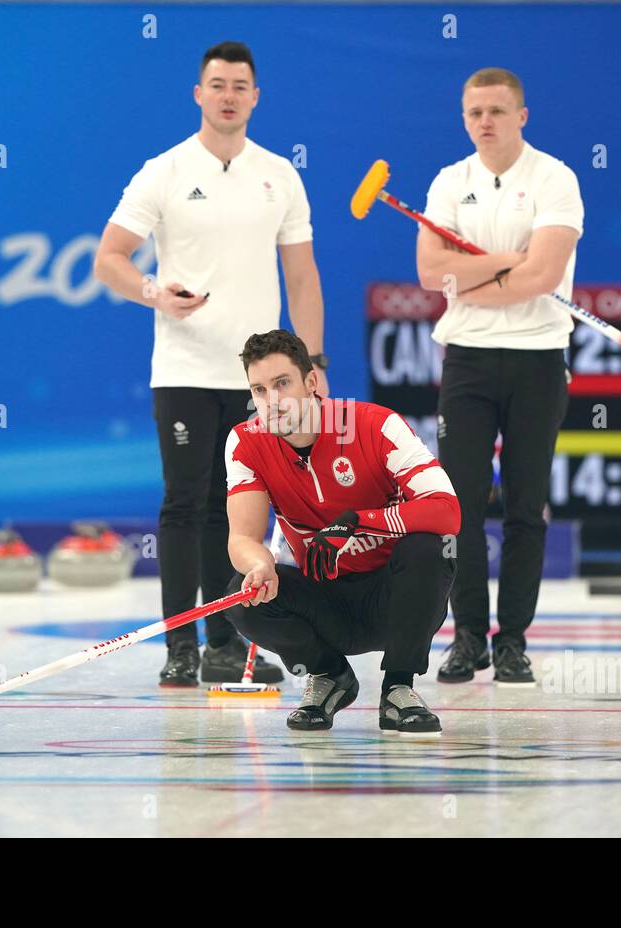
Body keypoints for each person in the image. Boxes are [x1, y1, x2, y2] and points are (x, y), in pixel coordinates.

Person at [95, 41, 329, 687]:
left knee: (244, 511)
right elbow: (109, 257)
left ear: (255, 97)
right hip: (184, 370)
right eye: (217, 84)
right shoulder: (164, 170)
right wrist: (151, 290)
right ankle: (180, 647)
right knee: (184, 503)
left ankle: (228, 644)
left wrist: (311, 367)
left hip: (260, 380)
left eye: (240, 85)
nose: (228, 94)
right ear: (198, 94)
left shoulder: (279, 173)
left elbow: (303, 278)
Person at [415, 67, 583, 686]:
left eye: (496, 110)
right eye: (473, 112)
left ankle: (512, 639)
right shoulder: (448, 182)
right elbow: (431, 275)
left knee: (525, 504)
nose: (484, 122)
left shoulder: (555, 178)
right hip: (467, 358)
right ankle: (467, 637)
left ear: (522, 115)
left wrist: (473, 274)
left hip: (538, 357)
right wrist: (510, 262)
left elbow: (543, 278)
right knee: (457, 506)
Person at [220, 330, 460, 733]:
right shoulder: (245, 442)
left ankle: (399, 688)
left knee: (431, 549)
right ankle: (329, 676)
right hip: (327, 603)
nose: (271, 401)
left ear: (311, 382)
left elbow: (447, 511)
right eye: (259, 390)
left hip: (395, 599)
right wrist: (261, 566)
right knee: (240, 596)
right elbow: (241, 537)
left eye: (282, 384)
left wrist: (356, 522)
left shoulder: (376, 424)